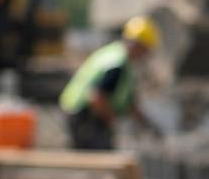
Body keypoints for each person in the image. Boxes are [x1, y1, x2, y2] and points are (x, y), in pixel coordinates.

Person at [60, 15, 162, 150]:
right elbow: (96, 98)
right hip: (84, 116)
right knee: (99, 155)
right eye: (145, 50)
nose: (145, 55)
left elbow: (129, 104)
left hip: (90, 116)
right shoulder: (116, 64)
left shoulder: (123, 62)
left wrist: (147, 124)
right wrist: (114, 121)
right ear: (138, 45)